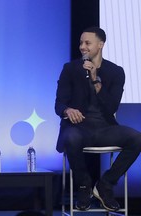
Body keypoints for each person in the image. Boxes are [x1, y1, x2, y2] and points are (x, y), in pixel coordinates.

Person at [55, 26, 141, 212]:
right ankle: (84, 186)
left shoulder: (116, 72)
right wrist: (68, 110)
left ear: (100, 45)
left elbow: (112, 108)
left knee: (137, 138)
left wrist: (95, 79)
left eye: (87, 43)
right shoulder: (70, 69)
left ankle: (105, 184)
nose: (82, 47)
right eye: (81, 43)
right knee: (71, 138)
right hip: (79, 128)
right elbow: (59, 104)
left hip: (105, 128)